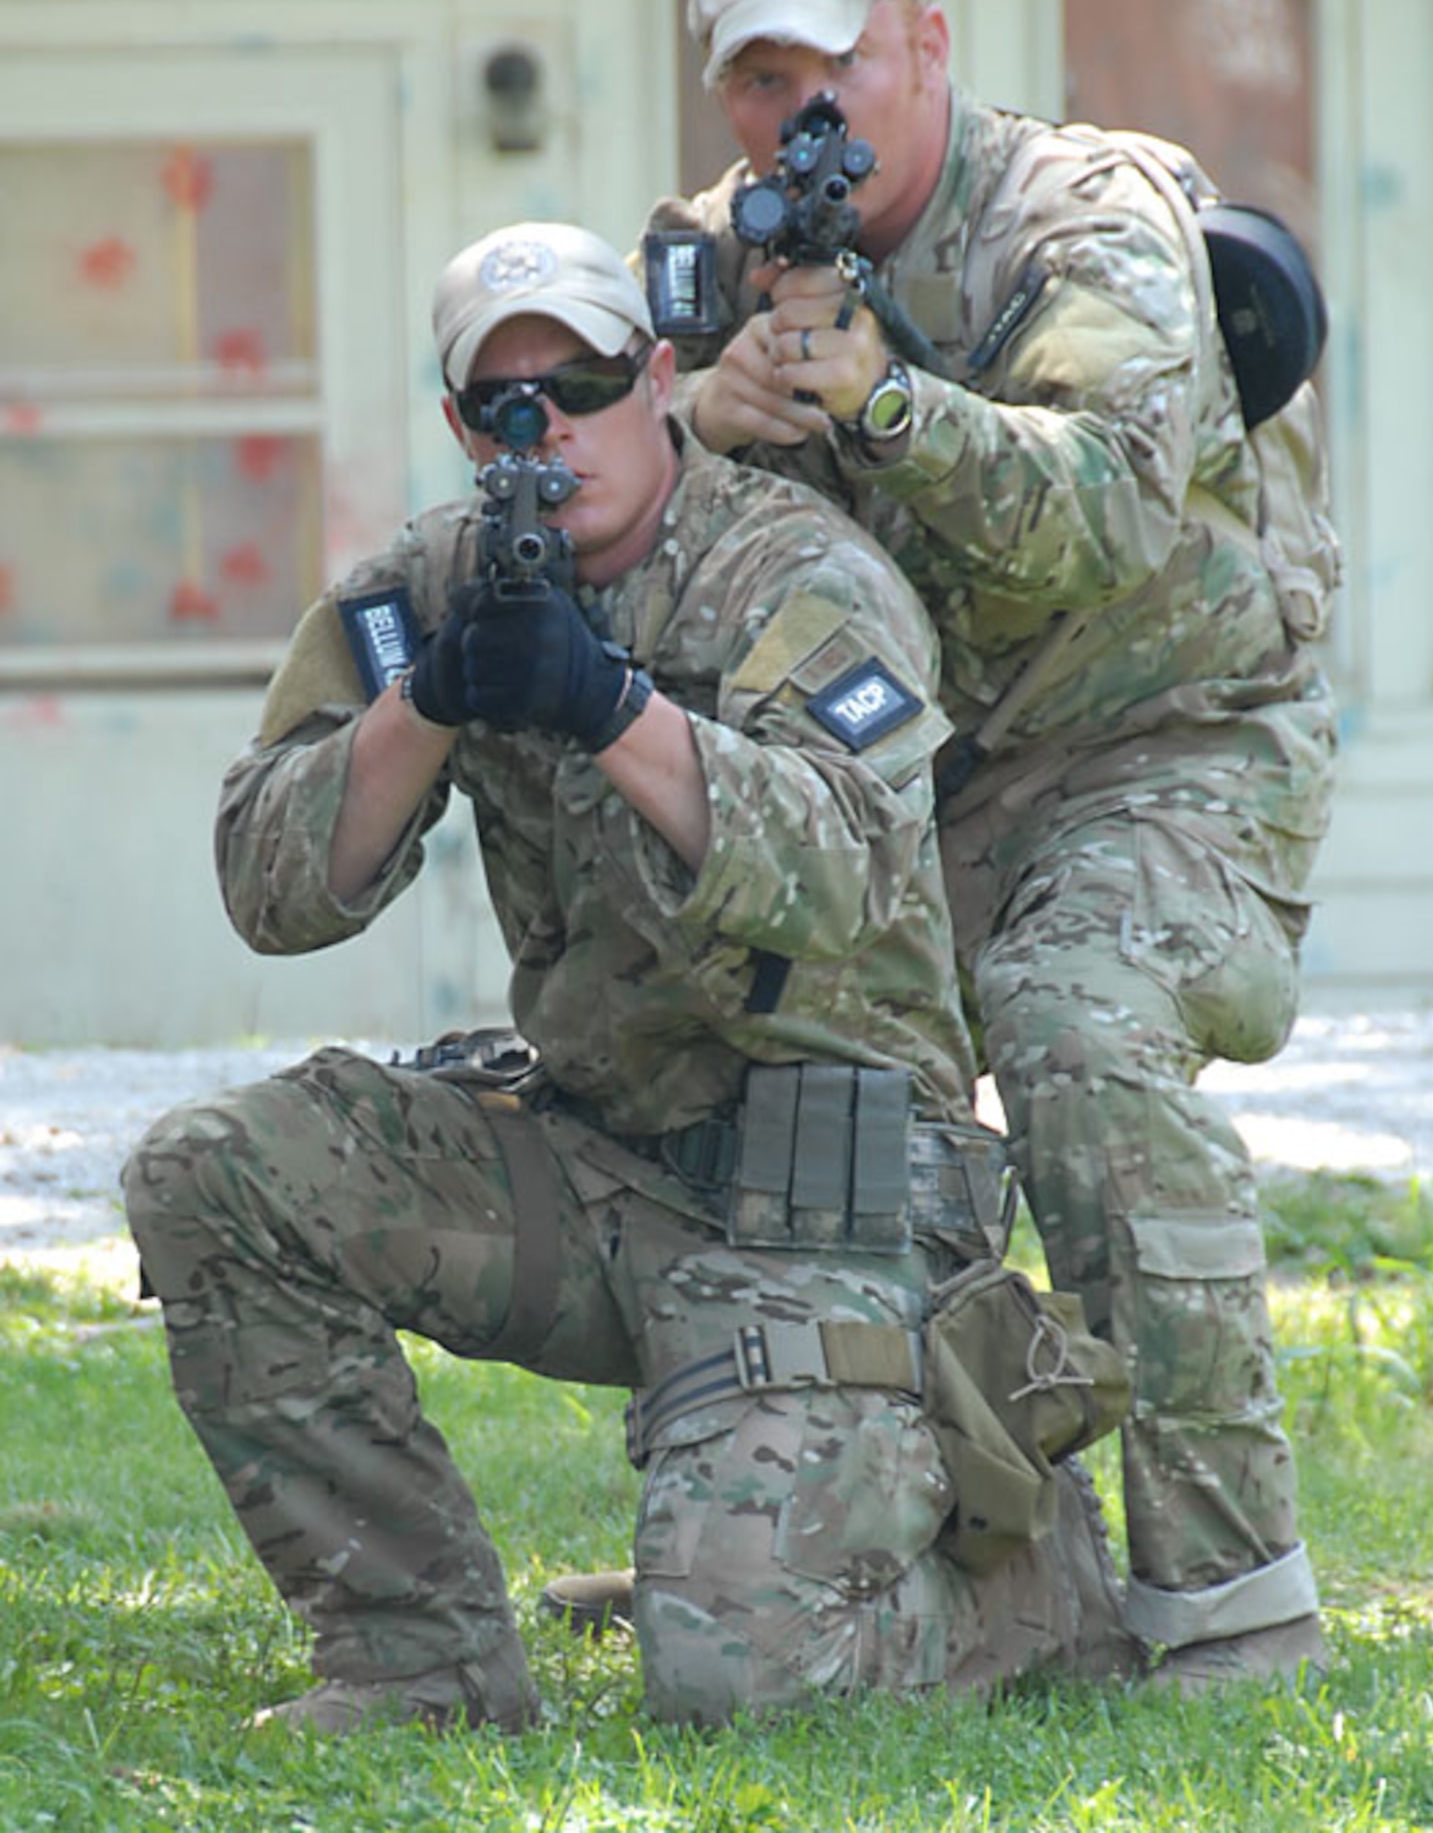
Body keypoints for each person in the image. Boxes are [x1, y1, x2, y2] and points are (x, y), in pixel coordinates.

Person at [122, 220, 1133, 1738]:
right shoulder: (427, 590)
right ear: (464, 425)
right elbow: (271, 887)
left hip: (828, 1204)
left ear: (659, 380)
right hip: (593, 1164)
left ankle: (1025, 1579)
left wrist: (608, 709)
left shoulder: (794, 573)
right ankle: (421, 1663)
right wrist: (429, 705)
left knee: (732, 1681)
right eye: (505, 403)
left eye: (585, 384)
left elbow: (856, 872)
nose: (550, 431)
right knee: (212, 1174)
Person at [614, 0, 1341, 1694]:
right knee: (763, 1072)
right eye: (759, 77)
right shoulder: (707, 263)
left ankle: (1227, 1596)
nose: (803, 115)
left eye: (838, 64)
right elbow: (588, 499)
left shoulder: (1084, 213)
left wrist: (879, 404)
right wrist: (693, 425)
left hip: (1166, 745)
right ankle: (802, 1533)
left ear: (925, 48)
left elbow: (1105, 511)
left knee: (1075, 1019)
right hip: (910, 787)